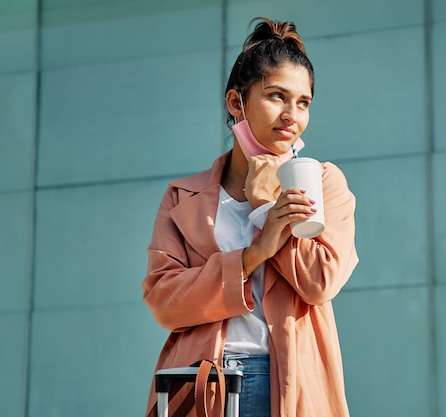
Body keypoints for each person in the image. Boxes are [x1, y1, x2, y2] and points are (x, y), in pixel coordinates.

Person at [142, 17, 358, 417]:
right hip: (201, 385)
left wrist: (264, 204)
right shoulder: (182, 197)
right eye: (276, 96)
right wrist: (252, 255)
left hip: (286, 382)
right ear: (235, 102)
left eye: (303, 102)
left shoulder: (324, 182)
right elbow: (164, 300)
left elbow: (320, 281)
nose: (291, 115)